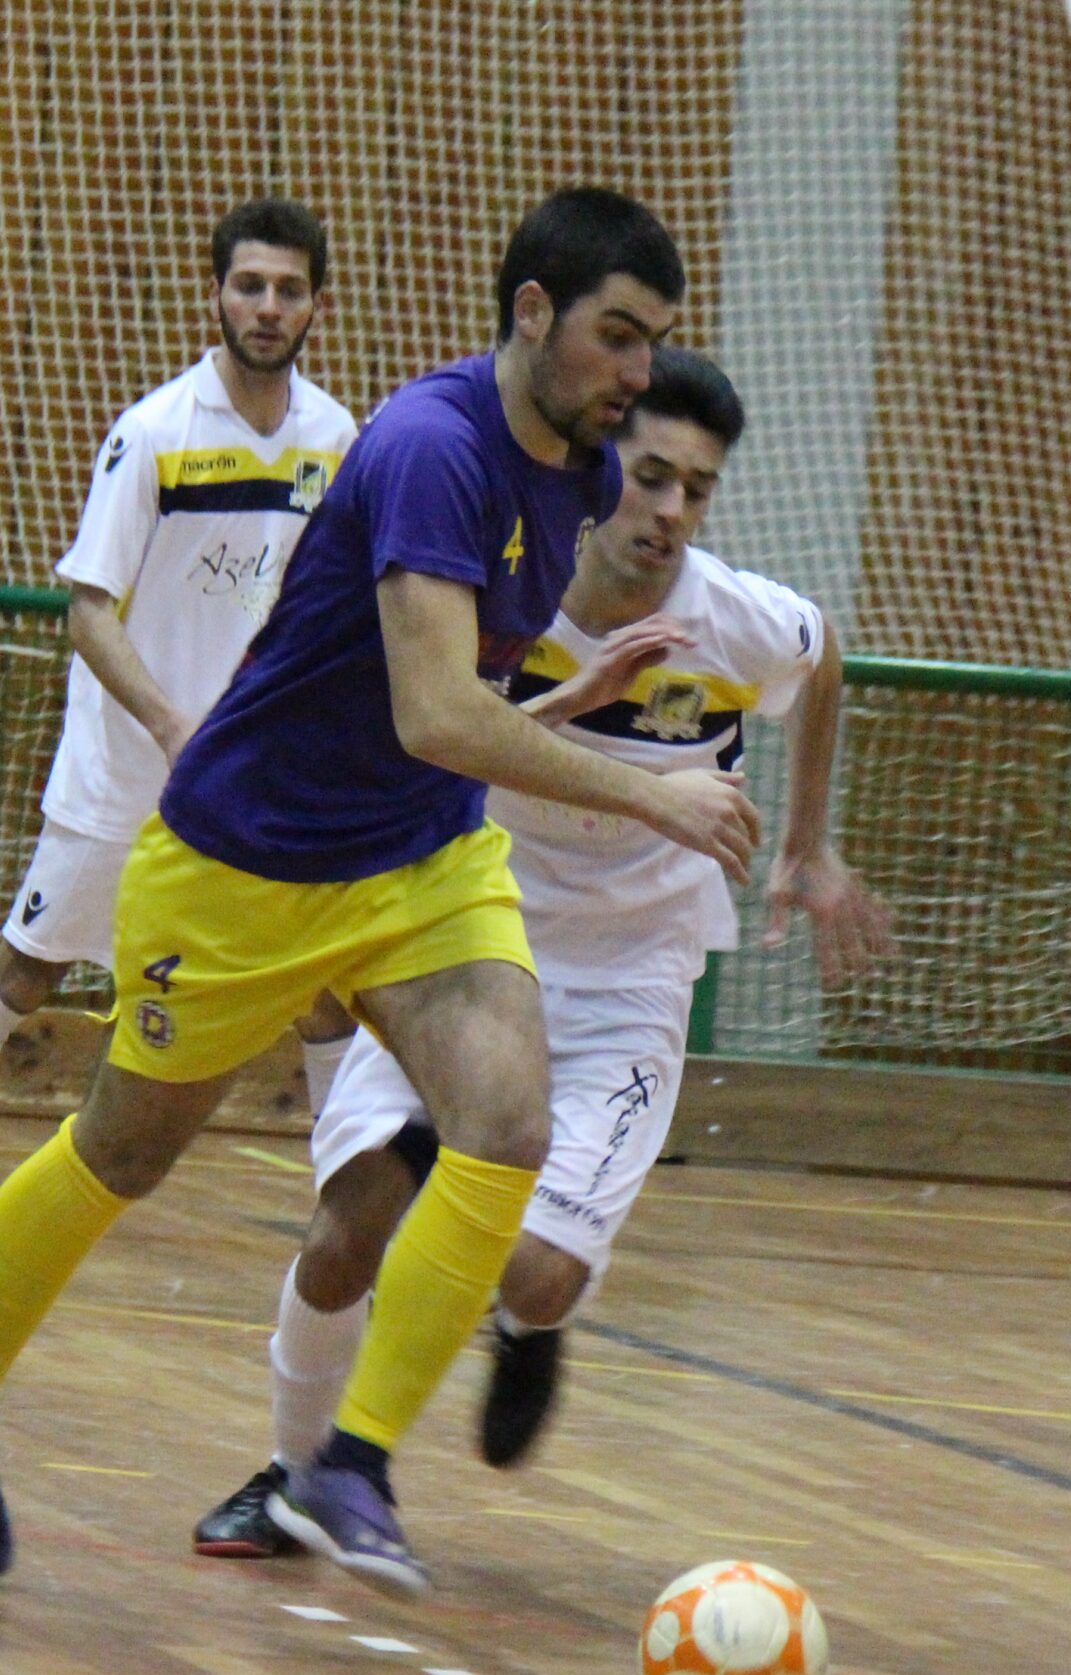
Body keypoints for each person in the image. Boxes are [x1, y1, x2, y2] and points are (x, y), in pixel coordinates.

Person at [0, 187, 761, 1596]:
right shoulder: (428, 446)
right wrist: (652, 789)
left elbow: (462, 677)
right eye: (616, 336)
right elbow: (431, 706)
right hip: (244, 861)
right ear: (531, 314)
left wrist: (562, 685)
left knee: (507, 1120)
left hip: (418, 859)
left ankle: (348, 1465)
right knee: (122, 1156)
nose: (638, 374)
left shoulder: (589, 474)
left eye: (655, 342)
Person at [190, 349, 893, 1558]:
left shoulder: (731, 619)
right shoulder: (503, 584)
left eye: (697, 490)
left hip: (629, 979)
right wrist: (585, 727)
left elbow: (822, 654)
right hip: (466, 935)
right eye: (651, 475)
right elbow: (432, 730)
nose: (669, 510)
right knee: (348, 1220)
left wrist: (811, 850)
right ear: (599, 462)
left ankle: (523, 1324)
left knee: (532, 1272)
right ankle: (292, 1470)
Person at [0, 198, 360, 1284]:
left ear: (319, 300)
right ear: (214, 291)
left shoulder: (336, 441)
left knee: (322, 997)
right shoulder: (156, 431)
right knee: (23, 970)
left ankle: (353, 1237)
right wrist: (176, 726)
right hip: (129, 778)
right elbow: (88, 608)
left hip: (259, 790)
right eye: (249, 285)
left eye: (288, 288)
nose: (268, 307)